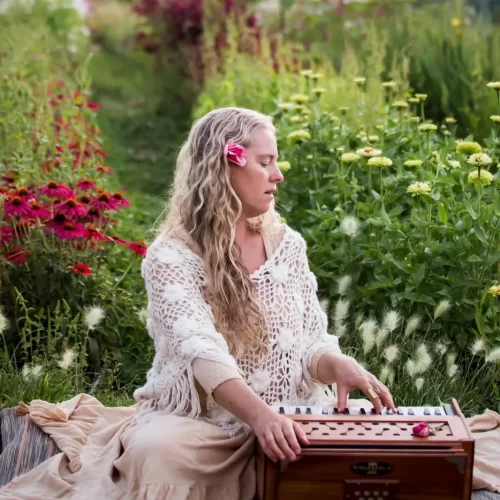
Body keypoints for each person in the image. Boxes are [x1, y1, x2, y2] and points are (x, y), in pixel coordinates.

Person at [0, 106, 396, 500]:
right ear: (226, 166)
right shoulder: (171, 255)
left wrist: (337, 364)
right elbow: (202, 353)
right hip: (203, 425)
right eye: (265, 162)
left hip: (291, 414)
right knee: (159, 454)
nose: (278, 175)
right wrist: (259, 417)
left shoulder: (288, 245)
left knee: (376, 451)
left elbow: (311, 339)